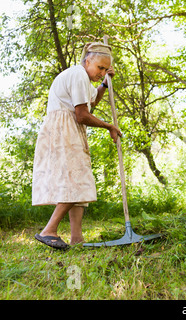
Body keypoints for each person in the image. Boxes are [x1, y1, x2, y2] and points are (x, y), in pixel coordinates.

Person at [32, 42, 122, 249]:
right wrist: (109, 126)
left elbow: (93, 102)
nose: (101, 72)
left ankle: (77, 238)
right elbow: (82, 115)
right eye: (100, 68)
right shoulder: (78, 74)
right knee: (77, 180)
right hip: (65, 128)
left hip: (67, 127)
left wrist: (105, 84)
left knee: (76, 180)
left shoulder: (82, 79)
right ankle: (49, 230)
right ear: (87, 60)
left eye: (105, 69)